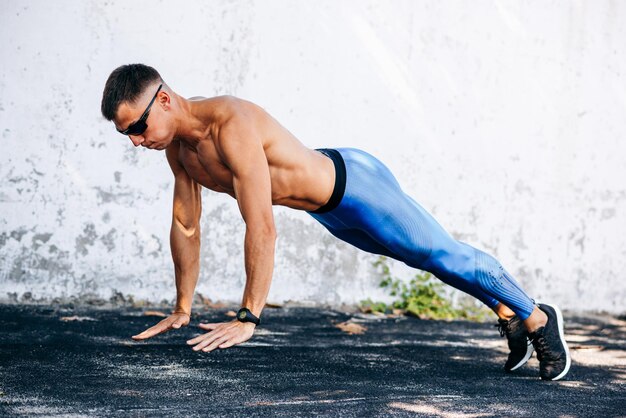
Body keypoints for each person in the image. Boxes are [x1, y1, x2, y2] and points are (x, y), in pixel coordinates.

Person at [100, 64, 570, 381]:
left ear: (163, 100)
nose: (136, 141)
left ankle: (538, 316)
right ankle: (507, 311)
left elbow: (260, 224)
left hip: (356, 188)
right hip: (330, 213)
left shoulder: (230, 123)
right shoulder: (180, 152)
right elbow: (185, 225)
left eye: (137, 128)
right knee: (430, 263)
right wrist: (184, 306)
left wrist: (249, 316)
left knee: (440, 253)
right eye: (127, 135)